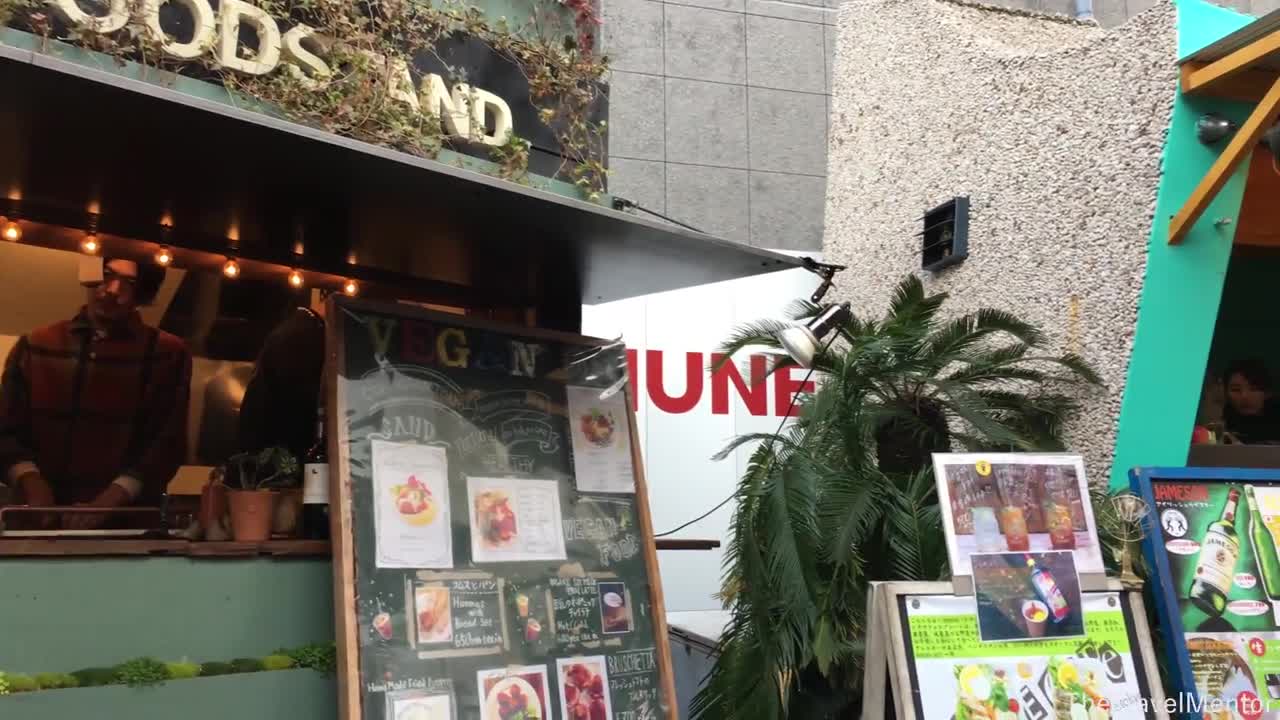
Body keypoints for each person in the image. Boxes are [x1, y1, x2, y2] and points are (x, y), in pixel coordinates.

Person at [0, 257, 192, 529]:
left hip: (127, 525)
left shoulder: (168, 353)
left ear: (143, 291)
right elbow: (5, 430)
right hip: (34, 523)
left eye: (129, 282)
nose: (112, 289)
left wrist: (112, 498)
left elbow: (167, 442)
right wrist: (31, 481)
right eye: (106, 274)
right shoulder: (35, 344)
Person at [237, 289, 327, 461]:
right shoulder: (307, 335)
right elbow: (301, 410)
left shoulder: (293, 329)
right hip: (281, 457)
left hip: (265, 453)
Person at [1222, 359, 1280, 445]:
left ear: (1268, 393)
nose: (1244, 396)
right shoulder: (1221, 425)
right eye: (1236, 390)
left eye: (1254, 389)